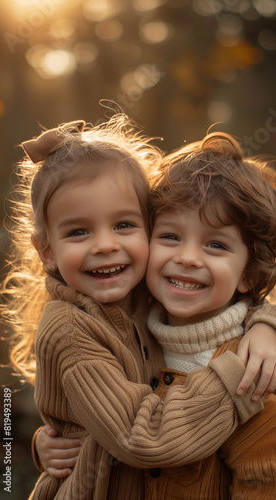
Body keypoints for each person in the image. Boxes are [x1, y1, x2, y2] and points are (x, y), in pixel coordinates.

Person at [0, 116, 274, 500]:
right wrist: (239, 375)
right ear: (47, 251)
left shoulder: (149, 294)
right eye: (79, 231)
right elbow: (140, 437)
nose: (105, 245)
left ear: (147, 229)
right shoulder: (70, 330)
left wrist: (267, 325)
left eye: (124, 225)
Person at [142, 131, 276, 498]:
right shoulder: (127, 332)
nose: (187, 257)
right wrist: (51, 444)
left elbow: (261, 482)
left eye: (215, 244)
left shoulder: (254, 372)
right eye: (169, 236)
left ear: (249, 274)